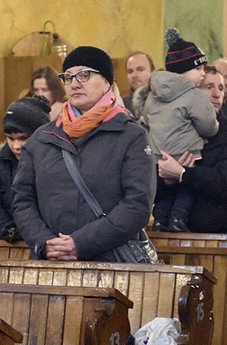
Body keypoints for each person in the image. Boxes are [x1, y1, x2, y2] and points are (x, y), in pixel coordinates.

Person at [12, 46, 155, 261]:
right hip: (50, 265)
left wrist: (81, 243)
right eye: (68, 77)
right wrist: (45, 243)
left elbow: (137, 204)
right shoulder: (42, 138)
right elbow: (22, 199)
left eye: (85, 75)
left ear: (107, 82)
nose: (75, 83)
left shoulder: (131, 135)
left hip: (109, 265)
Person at [156, 66, 227, 234]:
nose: (217, 94)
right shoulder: (172, 130)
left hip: (217, 238)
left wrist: (182, 174)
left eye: (221, 88)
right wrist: (167, 179)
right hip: (167, 236)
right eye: (209, 87)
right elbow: (148, 186)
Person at [145, 28, 219, 232]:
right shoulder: (194, 95)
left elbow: (146, 117)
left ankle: (160, 220)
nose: (203, 73)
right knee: (186, 186)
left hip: (160, 156)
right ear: (184, 70)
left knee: (167, 191)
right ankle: (178, 218)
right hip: (187, 153)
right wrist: (216, 126)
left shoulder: (153, 94)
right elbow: (207, 126)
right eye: (199, 69)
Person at [1, 96, 51, 242]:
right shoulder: (2, 163)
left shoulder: (55, 163)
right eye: (10, 138)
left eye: (23, 138)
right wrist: (8, 228)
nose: (16, 146)